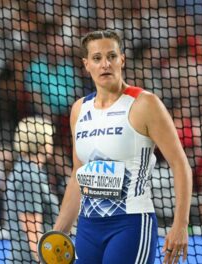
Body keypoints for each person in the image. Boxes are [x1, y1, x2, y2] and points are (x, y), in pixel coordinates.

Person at [51, 29, 193, 264]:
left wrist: (181, 224)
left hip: (131, 224)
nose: (105, 64)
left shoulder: (145, 104)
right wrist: (58, 233)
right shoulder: (79, 109)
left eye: (111, 56)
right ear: (86, 64)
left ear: (122, 60)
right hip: (88, 227)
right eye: (97, 58)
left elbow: (180, 165)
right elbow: (78, 175)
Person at [5, 115, 60, 263]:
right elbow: (32, 229)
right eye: (49, 137)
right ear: (41, 141)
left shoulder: (28, 171)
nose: (52, 141)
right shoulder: (29, 176)